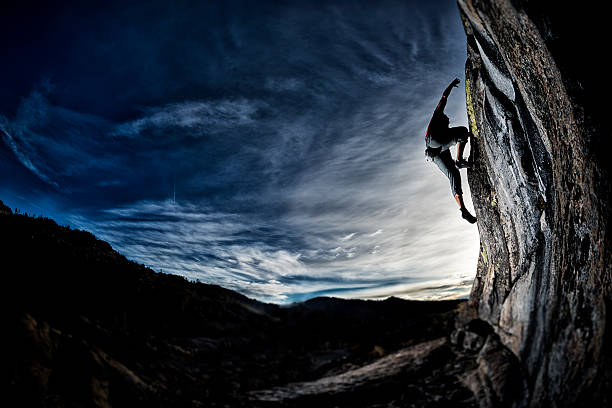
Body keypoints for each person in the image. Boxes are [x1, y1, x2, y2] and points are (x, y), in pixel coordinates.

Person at [425, 78, 477, 224]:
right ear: (443, 120)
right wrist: (451, 86)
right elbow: (444, 97)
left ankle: (463, 209)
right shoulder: (438, 115)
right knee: (462, 132)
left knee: (453, 173)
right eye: (447, 121)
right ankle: (459, 160)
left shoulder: (442, 128)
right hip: (433, 141)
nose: (448, 122)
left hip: (435, 152)